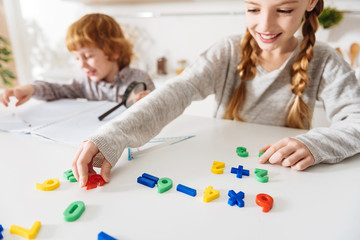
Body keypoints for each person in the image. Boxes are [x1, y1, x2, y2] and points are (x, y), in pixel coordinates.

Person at [72, 0, 360, 187]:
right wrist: (114, 134)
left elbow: (356, 119)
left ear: (309, 3)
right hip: (220, 173)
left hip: (283, 179)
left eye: (284, 10)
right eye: (253, 9)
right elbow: (179, 90)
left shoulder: (324, 59)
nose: (265, 25)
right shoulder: (227, 50)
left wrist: (316, 144)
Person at [0, 13, 155, 108]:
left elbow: (161, 110)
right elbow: (57, 89)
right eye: (76, 58)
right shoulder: (85, 84)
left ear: (114, 52)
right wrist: (31, 89)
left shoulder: (140, 79)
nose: (81, 64)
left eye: (88, 56)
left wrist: (147, 104)